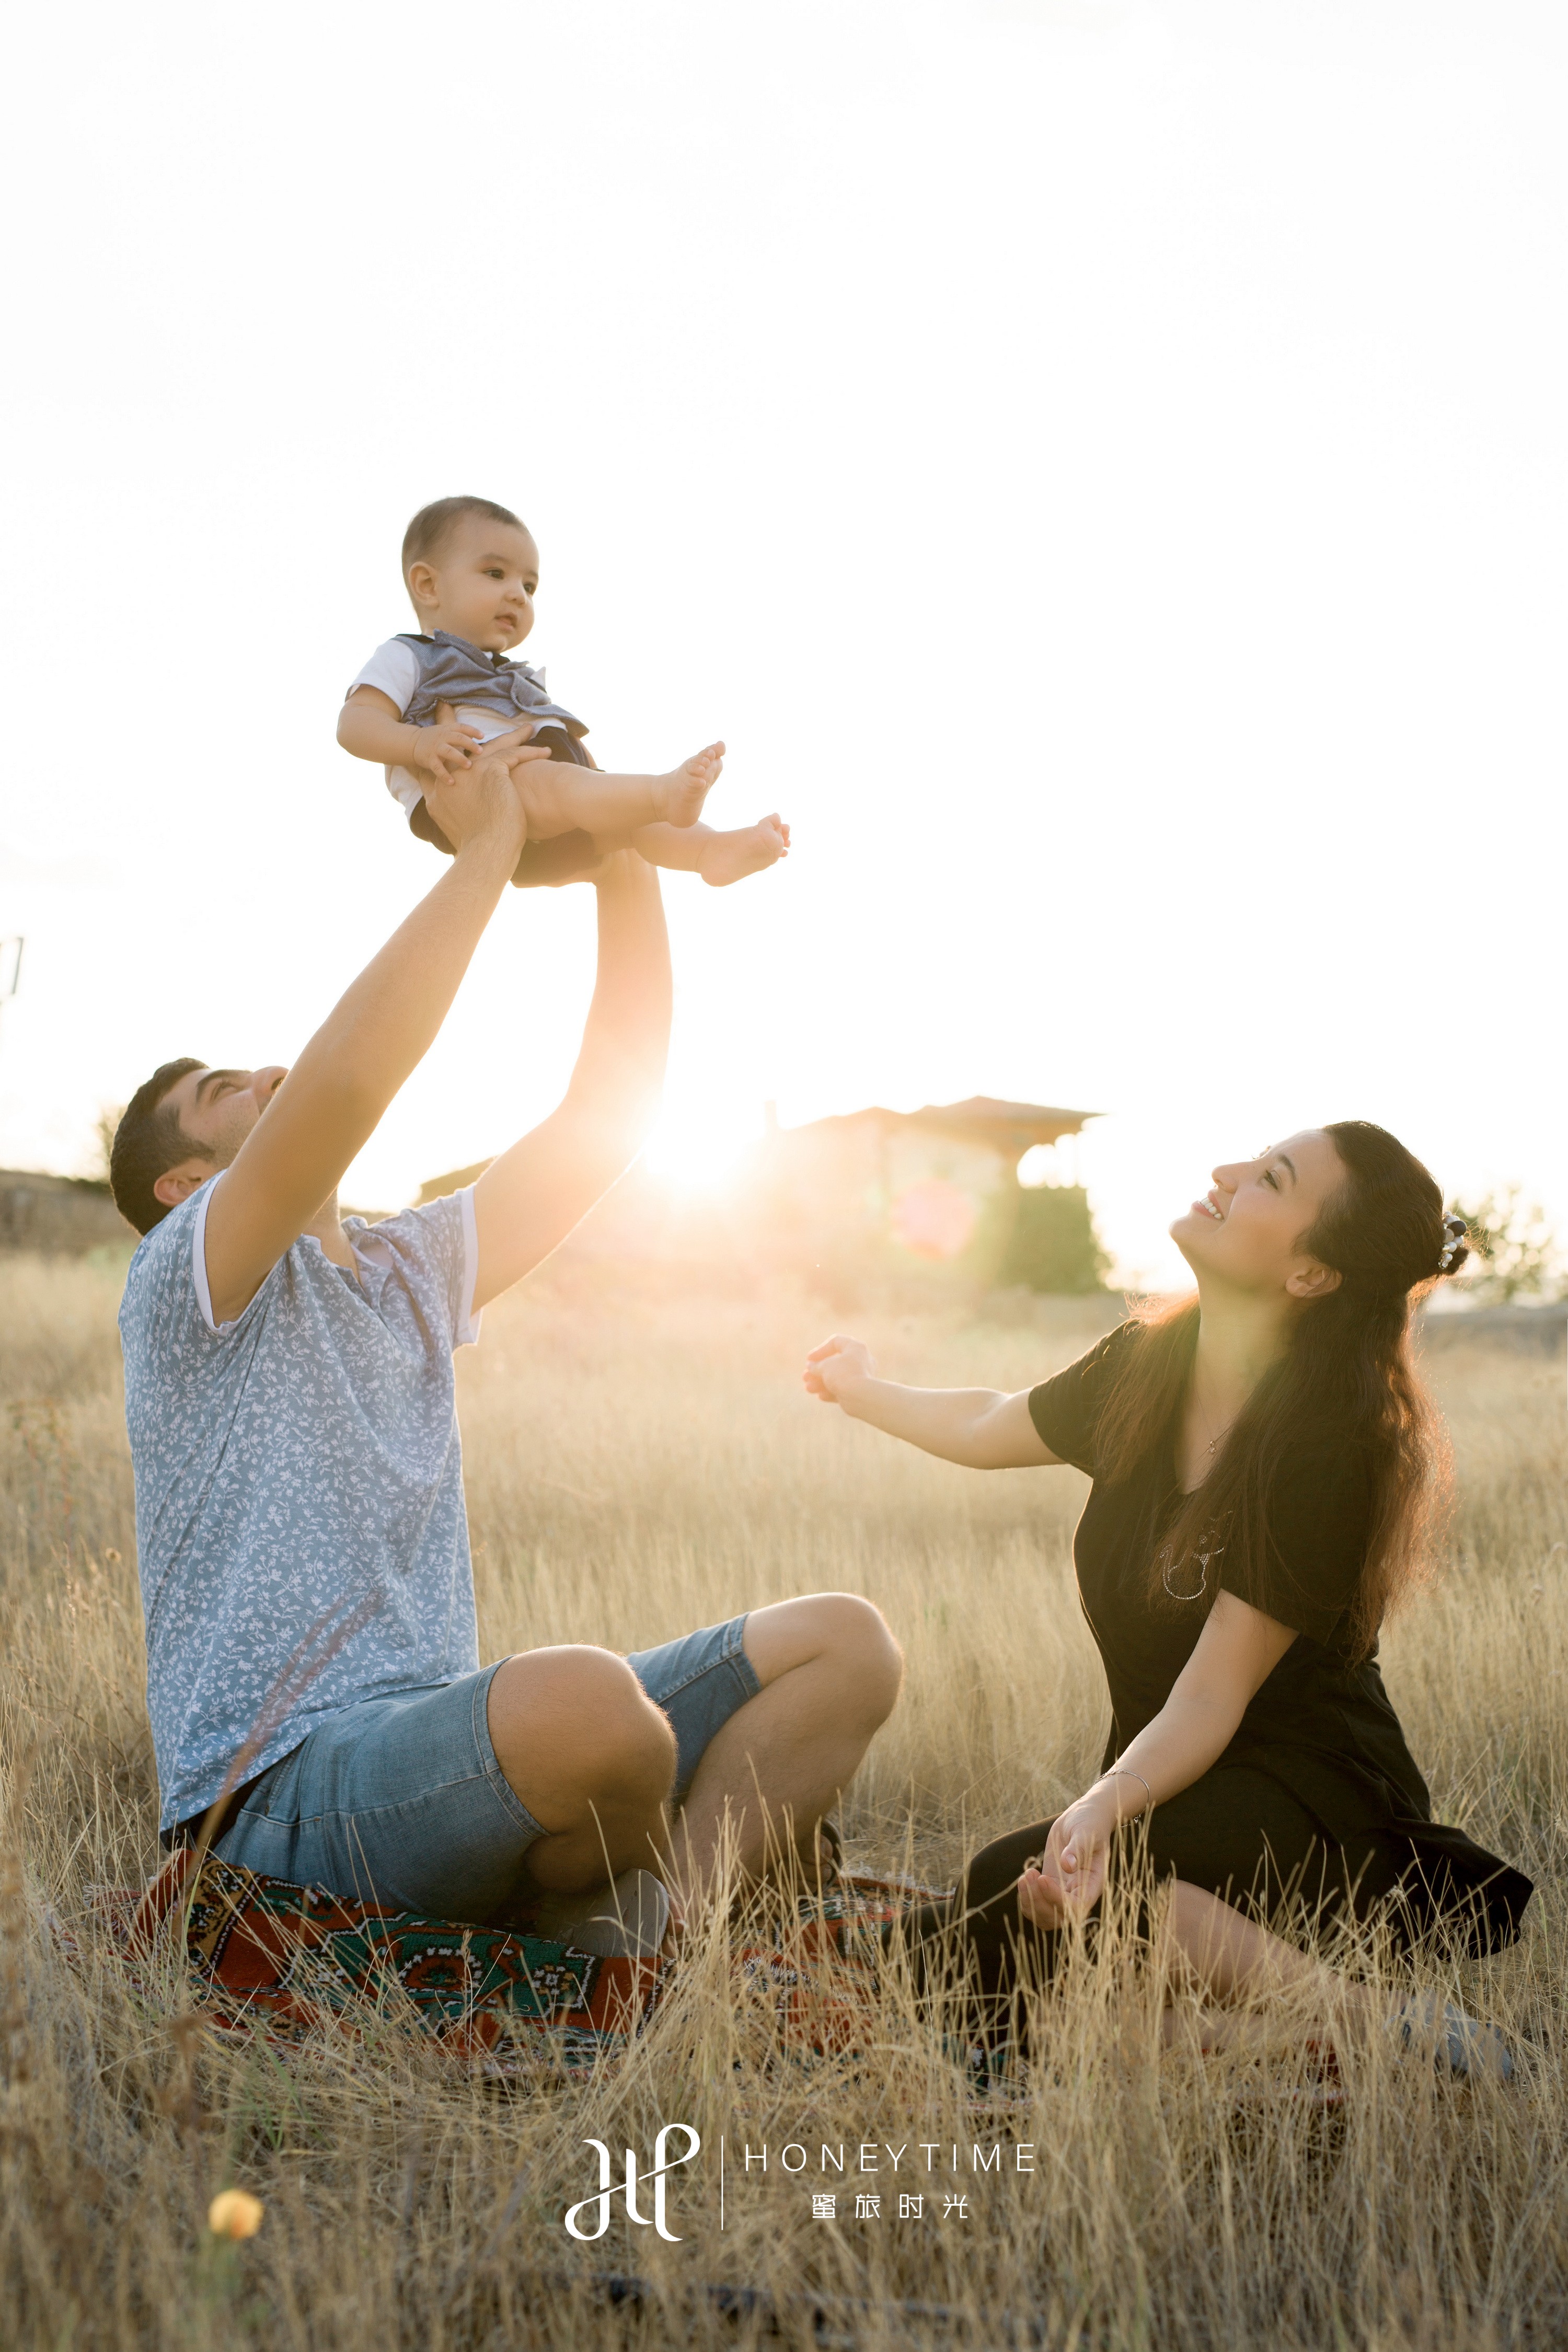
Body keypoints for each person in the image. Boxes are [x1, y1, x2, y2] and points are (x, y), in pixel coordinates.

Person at [110, 735, 898, 1954]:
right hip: (274, 1794)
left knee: (845, 1641)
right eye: (223, 1087)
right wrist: (486, 842)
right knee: (591, 1708)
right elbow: (348, 1076)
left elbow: (608, 1114)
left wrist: (620, 850)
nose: (266, 1069)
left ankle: (659, 1947)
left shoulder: (406, 1267)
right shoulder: (184, 1281)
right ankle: (628, 1893)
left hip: (440, 1744)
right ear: (183, 1181)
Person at [804, 1124, 1532, 2074]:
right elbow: (989, 1421)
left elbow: (1210, 1698)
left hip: (1313, 1808)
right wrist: (860, 1387)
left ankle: (1381, 2023)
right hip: (1174, 1795)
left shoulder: (1330, 1446)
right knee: (999, 1948)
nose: (1226, 1174)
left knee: (1011, 1894)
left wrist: (1103, 1805)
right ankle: (1232, 2040)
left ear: (1311, 1274)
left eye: (1270, 1178)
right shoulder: (1149, 1363)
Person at [338, 493, 791, 890]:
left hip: (557, 814)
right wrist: (418, 743)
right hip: (484, 802)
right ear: (429, 584)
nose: (518, 594)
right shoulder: (411, 656)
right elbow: (355, 724)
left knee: (631, 822)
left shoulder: (517, 674)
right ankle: (663, 794)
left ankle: (708, 852)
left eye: (529, 585)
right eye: (496, 573)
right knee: (570, 787)